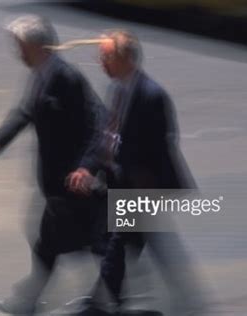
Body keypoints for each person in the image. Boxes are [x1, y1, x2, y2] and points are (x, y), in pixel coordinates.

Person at [67, 30, 206, 316]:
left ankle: (100, 306)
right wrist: (87, 167)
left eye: (106, 57)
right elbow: (105, 138)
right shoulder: (117, 89)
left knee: (118, 243)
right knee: (138, 243)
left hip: (144, 187)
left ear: (125, 58)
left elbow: (161, 144)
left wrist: (144, 186)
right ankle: (184, 302)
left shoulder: (151, 95)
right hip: (123, 185)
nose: (101, 63)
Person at [0, 15, 106, 315]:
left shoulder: (66, 78)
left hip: (73, 180)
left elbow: (96, 122)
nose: (16, 51)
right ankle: (90, 299)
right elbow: (24, 112)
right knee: (61, 243)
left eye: (19, 45)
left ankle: (93, 299)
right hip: (59, 182)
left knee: (82, 242)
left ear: (34, 45)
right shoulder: (41, 72)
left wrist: (85, 167)